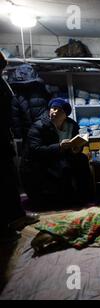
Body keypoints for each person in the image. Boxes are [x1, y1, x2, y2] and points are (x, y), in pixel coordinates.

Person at [20, 98, 93, 209]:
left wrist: (77, 148)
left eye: (60, 110)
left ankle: (85, 196)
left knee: (82, 159)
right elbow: (35, 150)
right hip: (40, 160)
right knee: (63, 166)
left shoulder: (71, 125)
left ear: (66, 115)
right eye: (53, 108)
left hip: (61, 155)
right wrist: (59, 146)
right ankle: (67, 198)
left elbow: (77, 141)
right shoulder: (39, 126)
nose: (55, 112)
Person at [0, 53, 39, 243]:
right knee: (7, 180)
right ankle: (9, 223)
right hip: (15, 135)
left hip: (12, 135)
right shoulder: (8, 87)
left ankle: (15, 217)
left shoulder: (5, 84)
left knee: (9, 179)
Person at [7, 63, 50, 141]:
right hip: (43, 129)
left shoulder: (16, 96)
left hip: (28, 133)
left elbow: (15, 119)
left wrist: (18, 136)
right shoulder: (41, 90)